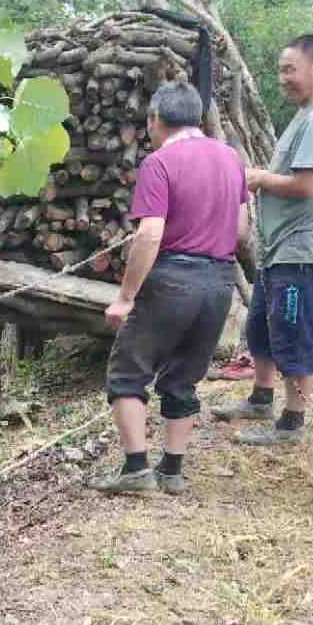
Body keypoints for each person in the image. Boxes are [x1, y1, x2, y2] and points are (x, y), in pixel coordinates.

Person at [87, 82, 250, 494]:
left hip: (173, 279)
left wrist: (125, 297)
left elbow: (149, 234)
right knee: (183, 377)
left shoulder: (159, 162)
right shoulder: (232, 159)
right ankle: (172, 470)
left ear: (155, 119)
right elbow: (241, 229)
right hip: (219, 282)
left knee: (127, 372)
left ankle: (136, 469)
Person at [213, 34, 313, 443]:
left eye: (290, 69)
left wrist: (259, 177)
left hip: (301, 249)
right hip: (281, 247)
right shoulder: (309, 112)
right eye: (280, 70)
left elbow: (306, 185)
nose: (282, 78)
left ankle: (292, 422)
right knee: (262, 326)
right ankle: (261, 398)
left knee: (293, 334)